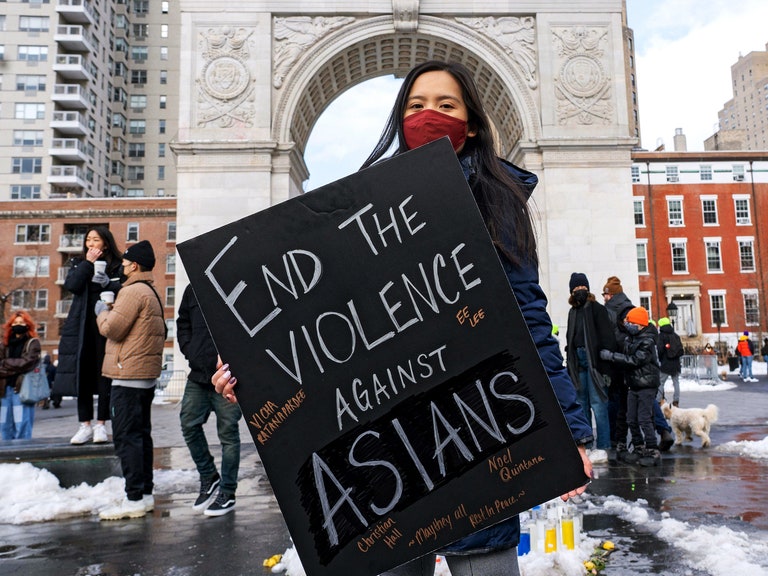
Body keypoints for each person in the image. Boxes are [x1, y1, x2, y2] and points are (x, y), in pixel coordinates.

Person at [214, 60, 594, 576]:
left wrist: (570, 433)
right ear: (399, 118)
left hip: (477, 429)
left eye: (446, 105)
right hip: (387, 448)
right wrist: (255, 376)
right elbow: (323, 324)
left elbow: (531, 322)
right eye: (416, 106)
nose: (428, 116)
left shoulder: (498, 203)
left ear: (473, 122)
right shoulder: (356, 209)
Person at [95, 240, 166, 520]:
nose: (122, 267)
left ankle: (134, 497)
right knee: (140, 437)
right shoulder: (150, 290)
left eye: (124, 263)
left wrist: (102, 312)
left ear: (134, 265)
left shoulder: (132, 292)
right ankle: (144, 494)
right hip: (143, 377)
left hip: (128, 376)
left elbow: (113, 329)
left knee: (126, 439)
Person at [177, 284, 242, 516]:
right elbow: (182, 322)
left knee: (228, 435)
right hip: (198, 375)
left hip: (228, 377)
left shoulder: (233, 277)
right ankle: (209, 477)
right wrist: (191, 351)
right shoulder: (192, 287)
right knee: (188, 424)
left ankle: (227, 492)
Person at [54, 226, 123, 444]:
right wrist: (88, 263)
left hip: (106, 326)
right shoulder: (79, 263)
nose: (91, 244)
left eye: (96, 240)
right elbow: (72, 286)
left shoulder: (117, 265)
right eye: (88, 240)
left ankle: (101, 424)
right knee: (82, 374)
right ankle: (84, 425)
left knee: (105, 375)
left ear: (106, 242)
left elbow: (123, 289)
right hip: (82, 327)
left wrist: (109, 283)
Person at [600, 307, 662, 467]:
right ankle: (638, 447)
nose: (627, 323)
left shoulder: (647, 341)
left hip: (646, 385)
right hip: (633, 384)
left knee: (644, 418)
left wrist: (612, 356)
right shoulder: (631, 338)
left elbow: (635, 360)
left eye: (630, 321)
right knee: (631, 419)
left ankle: (653, 450)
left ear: (640, 324)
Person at [565, 273, 616, 463]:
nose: (579, 291)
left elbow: (607, 338)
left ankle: (603, 447)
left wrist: (605, 368)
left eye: (582, 288)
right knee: (581, 406)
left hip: (594, 363)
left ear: (587, 289)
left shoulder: (596, 309)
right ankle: (586, 445)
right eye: (576, 289)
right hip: (577, 363)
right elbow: (571, 338)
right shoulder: (572, 312)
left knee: (598, 405)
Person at [0, 311, 42, 440]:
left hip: (23, 389)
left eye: (22, 322)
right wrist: (17, 367)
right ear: (10, 325)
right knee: (4, 424)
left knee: (22, 424)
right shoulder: (4, 344)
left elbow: (27, 363)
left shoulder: (33, 343)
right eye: (15, 322)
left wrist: (5, 363)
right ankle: (7, 455)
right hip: (4, 389)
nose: (18, 325)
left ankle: (22, 454)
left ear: (28, 325)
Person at [656, 317, 683, 407]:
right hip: (676, 363)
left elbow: (659, 349)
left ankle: (658, 400)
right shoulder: (676, 335)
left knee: (661, 382)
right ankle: (676, 400)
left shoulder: (661, 336)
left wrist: (660, 359)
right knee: (676, 382)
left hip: (665, 363)